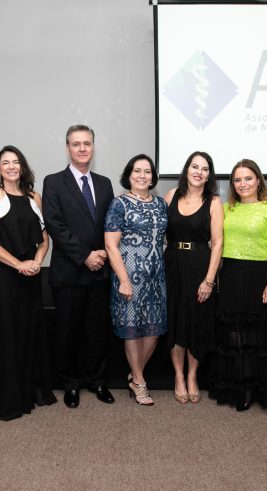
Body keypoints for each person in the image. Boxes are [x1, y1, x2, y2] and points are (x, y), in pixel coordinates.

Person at [0, 145, 56, 421]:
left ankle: (29, 392)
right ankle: (7, 400)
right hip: (3, 275)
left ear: (21, 167)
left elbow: (44, 239)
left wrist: (35, 260)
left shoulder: (35, 196)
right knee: (6, 335)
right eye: (5, 162)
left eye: (15, 162)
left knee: (28, 332)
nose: (11, 167)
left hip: (30, 277)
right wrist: (18, 264)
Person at [42, 125, 115, 409]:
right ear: (67, 148)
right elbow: (55, 225)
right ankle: (70, 383)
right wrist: (85, 255)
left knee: (96, 330)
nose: (82, 148)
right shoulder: (54, 182)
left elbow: (110, 224)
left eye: (87, 143)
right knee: (68, 331)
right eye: (76, 144)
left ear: (93, 147)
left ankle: (96, 380)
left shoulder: (105, 183)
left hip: (100, 271)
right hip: (69, 271)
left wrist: (103, 256)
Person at [209, 159, 267, 411]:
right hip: (231, 276)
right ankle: (237, 385)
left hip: (259, 276)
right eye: (238, 180)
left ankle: (253, 388)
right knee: (233, 335)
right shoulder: (226, 208)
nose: (243, 184)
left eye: (248, 178)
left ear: (258, 181)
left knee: (257, 336)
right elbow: (217, 243)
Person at [104, 154, 168, 406]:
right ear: (129, 175)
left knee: (153, 331)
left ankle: (135, 374)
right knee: (132, 330)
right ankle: (140, 382)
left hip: (156, 277)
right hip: (128, 274)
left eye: (147, 171)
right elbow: (111, 245)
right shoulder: (119, 204)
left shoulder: (162, 204)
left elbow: (164, 239)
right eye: (137, 171)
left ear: (153, 176)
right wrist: (124, 279)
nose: (142, 175)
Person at [162, 151, 223, 404]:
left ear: (209, 174)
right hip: (172, 264)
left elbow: (218, 243)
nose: (199, 171)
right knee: (176, 320)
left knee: (197, 322)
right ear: (187, 170)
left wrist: (209, 280)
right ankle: (178, 376)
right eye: (195, 166)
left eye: (205, 168)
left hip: (200, 265)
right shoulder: (170, 196)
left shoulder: (214, 201)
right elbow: (161, 233)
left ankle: (192, 377)